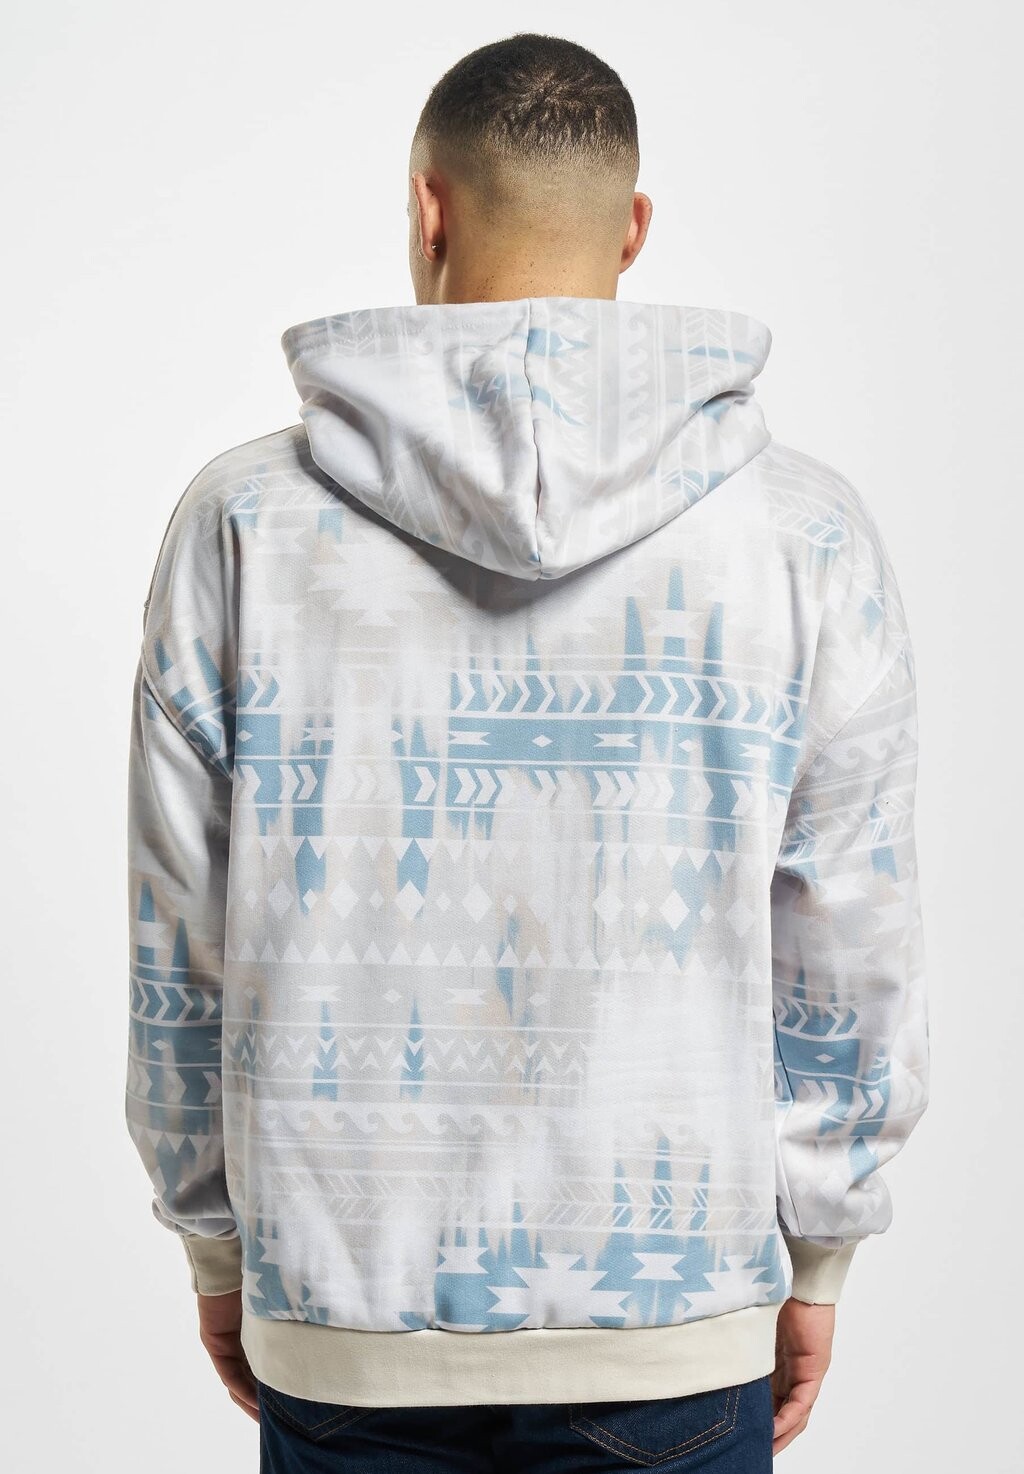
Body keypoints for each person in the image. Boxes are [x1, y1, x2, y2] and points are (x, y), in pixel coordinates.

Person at [124, 30, 930, 1472]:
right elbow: (850, 940)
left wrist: (215, 1242)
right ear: (633, 228)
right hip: (677, 1324)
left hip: (345, 1314)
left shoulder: (242, 527)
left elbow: (179, 942)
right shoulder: (803, 536)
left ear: (426, 207)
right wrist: (819, 1250)